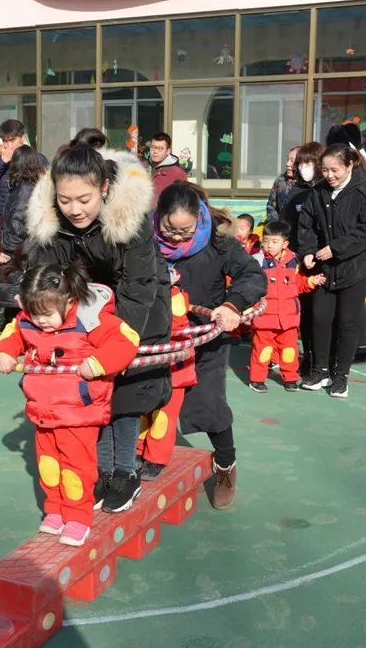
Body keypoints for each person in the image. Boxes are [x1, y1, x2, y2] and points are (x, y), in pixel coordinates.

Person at [26, 144, 172, 514]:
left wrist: (114, 341)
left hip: (134, 312)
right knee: (87, 397)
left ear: (104, 188)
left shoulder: (130, 219)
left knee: (123, 397)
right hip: (82, 311)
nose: (74, 209)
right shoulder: (52, 225)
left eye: (84, 199)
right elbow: (47, 280)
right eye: (65, 200)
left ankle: (125, 471)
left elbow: (138, 285)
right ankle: (102, 470)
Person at [0, 262, 139, 546]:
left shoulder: (91, 320)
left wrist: (98, 364)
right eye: (34, 314)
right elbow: (13, 335)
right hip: (43, 410)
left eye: (46, 315)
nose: (40, 321)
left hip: (77, 413)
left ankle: (78, 518)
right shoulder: (29, 319)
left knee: (76, 468)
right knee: (48, 464)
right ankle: (55, 511)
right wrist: (4, 354)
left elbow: (126, 340)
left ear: (69, 301)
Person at [155, 182, 265, 509]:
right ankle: (129, 466)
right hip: (158, 338)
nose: (175, 237)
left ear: (198, 219)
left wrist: (233, 305)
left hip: (206, 339)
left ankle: (225, 464)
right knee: (141, 403)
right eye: (168, 229)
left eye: (184, 230)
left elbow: (253, 276)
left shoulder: (219, 242)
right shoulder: (140, 241)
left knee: (209, 404)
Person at [298, 144, 366, 398]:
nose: (330, 175)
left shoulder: (363, 194)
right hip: (325, 268)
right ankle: (319, 369)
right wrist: (309, 251)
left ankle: (340, 376)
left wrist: (336, 248)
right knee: (320, 317)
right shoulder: (318, 192)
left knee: (347, 321)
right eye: (325, 170)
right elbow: (307, 225)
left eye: (335, 170)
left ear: (350, 165)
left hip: (355, 267)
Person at [248, 220, 325, 393]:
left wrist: (311, 281)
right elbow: (249, 286)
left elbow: (297, 284)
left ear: (285, 243)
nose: (269, 245)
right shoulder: (257, 261)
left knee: (290, 350)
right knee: (263, 350)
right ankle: (257, 379)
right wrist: (248, 309)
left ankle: (290, 378)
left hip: (288, 319)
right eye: (266, 241)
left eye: (274, 242)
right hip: (264, 318)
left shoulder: (293, 261)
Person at [135, 266, 196, 480]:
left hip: (174, 371)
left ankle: (156, 459)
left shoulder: (174, 297)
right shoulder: (140, 295)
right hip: (148, 367)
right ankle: (139, 451)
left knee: (163, 417)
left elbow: (176, 324)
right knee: (143, 412)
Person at [281, 141, 325, 370]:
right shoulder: (296, 191)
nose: (301, 168)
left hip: (322, 261)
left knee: (321, 315)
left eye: (306, 163)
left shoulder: (326, 191)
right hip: (299, 261)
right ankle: (307, 358)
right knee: (304, 313)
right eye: (299, 164)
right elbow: (287, 224)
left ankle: (323, 360)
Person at [0, 146, 49, 325]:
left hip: (18, 247)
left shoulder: (22, 189)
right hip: (30, 245)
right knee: (25, 286)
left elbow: (17, 221)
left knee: (13, 287)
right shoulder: (35, 185)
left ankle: (13, 325)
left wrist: (8, 250)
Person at [0, 119, 44, 217]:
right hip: (5, 219)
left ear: (22, 138)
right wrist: (2, 161)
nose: (9, 145)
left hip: (27, 218)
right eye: (5, 141)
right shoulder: (2, 160)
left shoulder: (37, 158)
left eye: (12, 140)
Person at [148, 132, 188, 203]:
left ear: (168, 151)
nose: (155, 151)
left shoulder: (177, 173)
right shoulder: (142, 167)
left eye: (160, 148)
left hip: (164, 212)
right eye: (153, 147)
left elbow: (184, 200)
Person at [266, 146, 301, 222]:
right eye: (287, 160)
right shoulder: (280, 180)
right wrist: (276, 226)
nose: (287, 164)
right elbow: (271, 206)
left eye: (292, 161)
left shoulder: (309, 184)